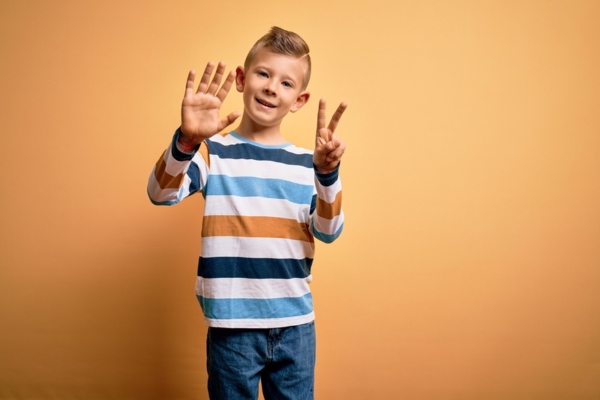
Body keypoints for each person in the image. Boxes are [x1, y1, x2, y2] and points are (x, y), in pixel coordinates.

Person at [147, 26, 347, 400]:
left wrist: (327, 174)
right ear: (242, 79)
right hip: (231, 326)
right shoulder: (213, 153)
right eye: (263, 74)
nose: (273, 87)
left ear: (299, 100)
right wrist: (187, 142)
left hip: (295, 327)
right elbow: (161, 192)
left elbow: (329, 230)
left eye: (287, 83)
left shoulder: (309, 163)